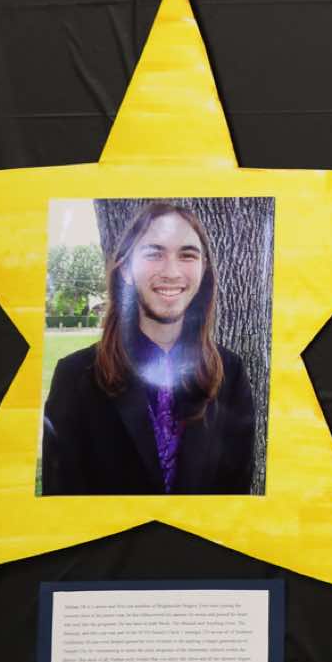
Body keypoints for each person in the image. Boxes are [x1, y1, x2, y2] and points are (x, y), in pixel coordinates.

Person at [41, 202, 257, 495]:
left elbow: (235, 496)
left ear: (203, 269)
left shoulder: (230, 375)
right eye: (154, 253)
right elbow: (62, 502)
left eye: (187, 255)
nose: (171, 272)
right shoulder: (75, 377)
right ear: (126, 270)